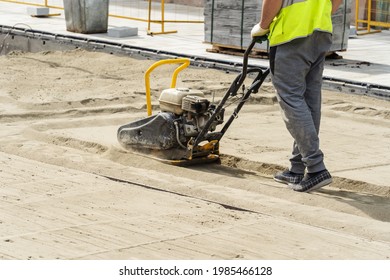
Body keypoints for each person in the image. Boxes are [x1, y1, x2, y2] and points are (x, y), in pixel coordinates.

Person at [251, 0, 343, 192]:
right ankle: (297, 168)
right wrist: (319, 15)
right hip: (320, 32)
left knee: (291, 99)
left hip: (292, 34)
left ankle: (316, 168)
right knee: (310, 101)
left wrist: (263, 26)